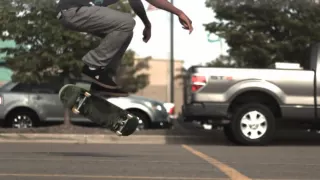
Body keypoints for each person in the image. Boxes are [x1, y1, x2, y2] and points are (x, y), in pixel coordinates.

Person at [56, 0, 193, 135]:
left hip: (76, 13)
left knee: (126, 31)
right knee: (126, 22)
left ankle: (103, 79)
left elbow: (135, 2)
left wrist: (147, 24)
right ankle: (93, 65)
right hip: (75, 10)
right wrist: (179, 12)